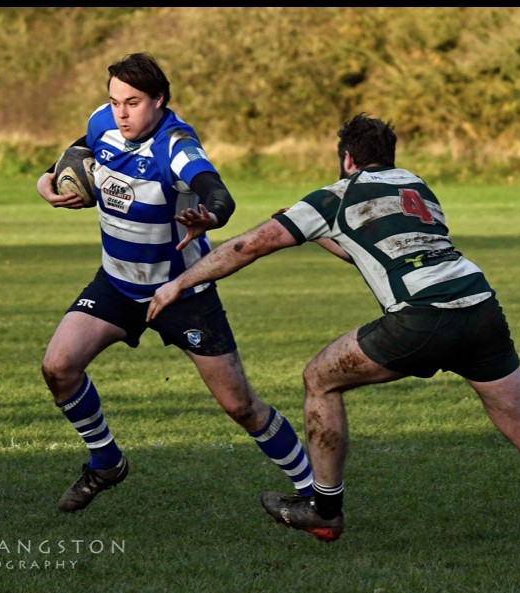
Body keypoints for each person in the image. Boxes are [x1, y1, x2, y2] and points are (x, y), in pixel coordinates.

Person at [146, 114, 520, 559]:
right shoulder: (416, 186)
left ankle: (325, 509)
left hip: (421, 317)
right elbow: (372, 250)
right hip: (480, 309)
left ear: (347, 159)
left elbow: (248, 247)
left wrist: (180, 284)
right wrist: (317, 233)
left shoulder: (335, 195)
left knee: (319, 379)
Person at [35, 52, 314, 513]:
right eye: (115, 101)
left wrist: (211, 217)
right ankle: (106, 463)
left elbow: (217, 192)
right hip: (117, 285)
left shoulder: (176, 146)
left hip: (182, 293)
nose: (121, 114)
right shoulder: (104, 121)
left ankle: (315, 496)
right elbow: (80, 150)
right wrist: (47, 179)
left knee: (241, 406)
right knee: (58, 367)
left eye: (133, 103)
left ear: (159, 100)